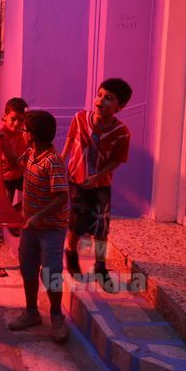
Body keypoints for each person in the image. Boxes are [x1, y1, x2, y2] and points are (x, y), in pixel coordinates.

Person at [61, 78, 132, 292]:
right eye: (99, 95)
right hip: (77, 180)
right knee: (77, 222)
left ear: (120, 106)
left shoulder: (122, 132)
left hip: (101, 185)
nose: (100, 101)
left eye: (108, 98)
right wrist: (61, 162)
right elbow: (69, 140)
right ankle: (70, 253)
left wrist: (97, 176)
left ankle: (100, 266)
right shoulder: (80, 118)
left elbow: (116, 160)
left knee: (102, 227)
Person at [7, 110, 70, 343]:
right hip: (30, 226)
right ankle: (31, 312)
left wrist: (38, 217)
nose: (22, 133)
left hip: (50, 228)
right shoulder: (30, 153)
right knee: (28, 267)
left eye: (24, 130)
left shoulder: (53, 162)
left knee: (51, 272)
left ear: (32, 135)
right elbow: (15, 165)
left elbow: (61, 197)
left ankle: (57, 316)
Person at [0, 97, 28, 277]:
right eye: (13, 119)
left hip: (19, 174)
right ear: (5, 116)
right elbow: (13, 161)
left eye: (21, 120)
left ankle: (14, 214)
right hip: (4, 179)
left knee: (37, 201)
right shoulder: (0, 134)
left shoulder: (22, 131)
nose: (16, 123)